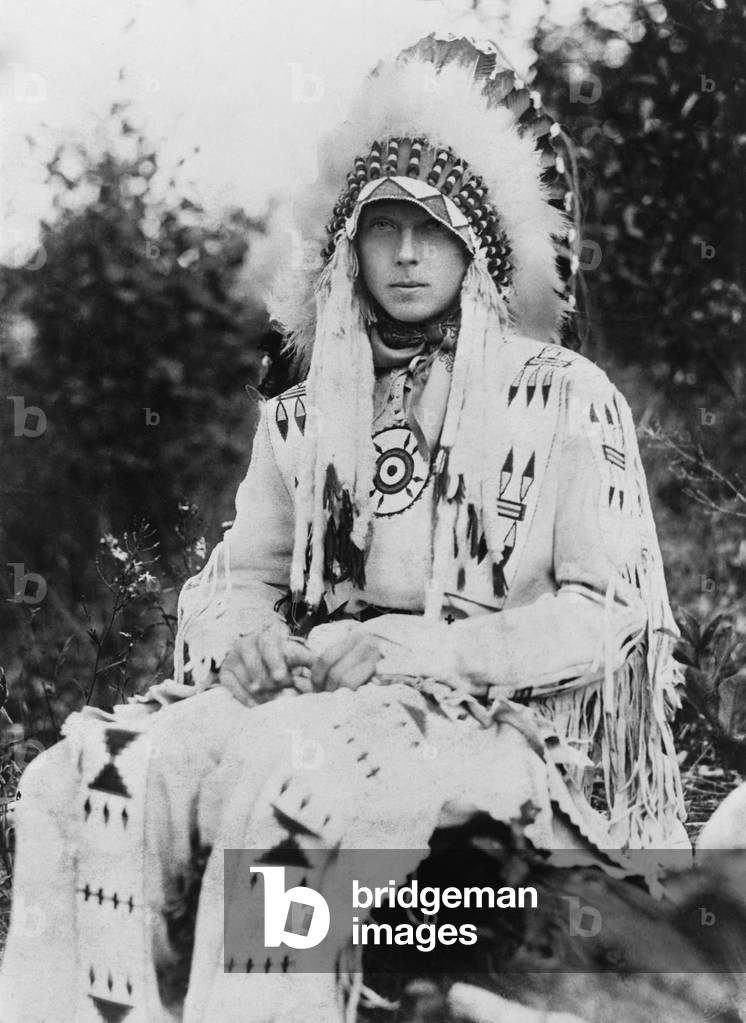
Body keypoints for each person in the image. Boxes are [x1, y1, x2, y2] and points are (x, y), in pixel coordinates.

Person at [0, 34, 689, 1023]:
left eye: (431, 229)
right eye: (382, 230)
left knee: (288, 782)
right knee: (86, 773)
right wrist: (247, 650)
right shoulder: (305, 408)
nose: (405, 255)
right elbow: (241, 575)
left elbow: (601, 616)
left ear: (476, 243)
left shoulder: (565, 399)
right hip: (313, 689)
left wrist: (418, 649)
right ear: (349, 249)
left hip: (494, 718)